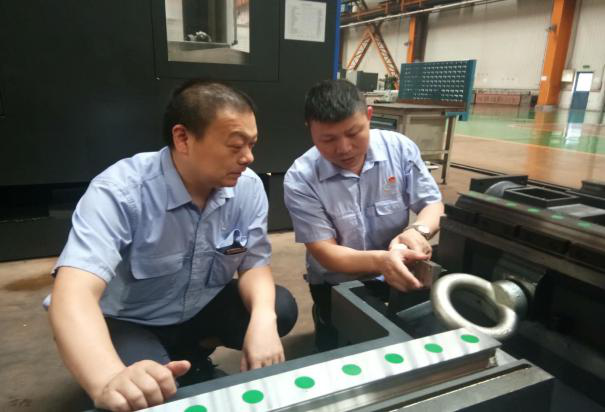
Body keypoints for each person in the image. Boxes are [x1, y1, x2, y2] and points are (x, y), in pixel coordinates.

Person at [47, 80, 298, 411]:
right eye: (235, 145)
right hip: (130, 319)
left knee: (279, 307)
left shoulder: (247, 188)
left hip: (196, 309)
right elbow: (72, 294)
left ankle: (191, 355)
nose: (248, 157)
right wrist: (107, 378)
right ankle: (136, 361)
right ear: (183, 138)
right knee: (146, 396)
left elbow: (253, 263)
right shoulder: (121, 191)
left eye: (252, 144)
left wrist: (263, 321)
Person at [284, 79, 443, 350]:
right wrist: (382, 261)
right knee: (337, 346)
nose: (344, 148)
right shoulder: (301, 178)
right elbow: (325, 252)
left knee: (403, 338)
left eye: (353, 133)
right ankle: (324, 318)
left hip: (399, 266)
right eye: (328, 139)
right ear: (310, 130)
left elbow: (433, 205)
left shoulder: (399, 149)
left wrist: (418, 231)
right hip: (336, 282)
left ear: (369, 116)